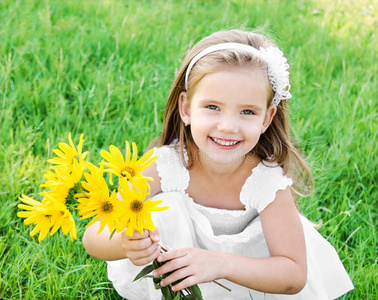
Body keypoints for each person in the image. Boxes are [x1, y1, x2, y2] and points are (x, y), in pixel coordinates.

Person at [82, 29, 354, 299]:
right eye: (212, 107)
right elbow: (93, 236)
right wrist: (126, 245)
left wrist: (220, 263)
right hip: (179, 281)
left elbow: (293, 275)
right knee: (165, 210)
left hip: (252, 283)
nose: (228, 127)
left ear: (267, 118)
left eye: (247, 111)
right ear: (186, 108)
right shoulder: (165, 165)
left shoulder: (265, 182)